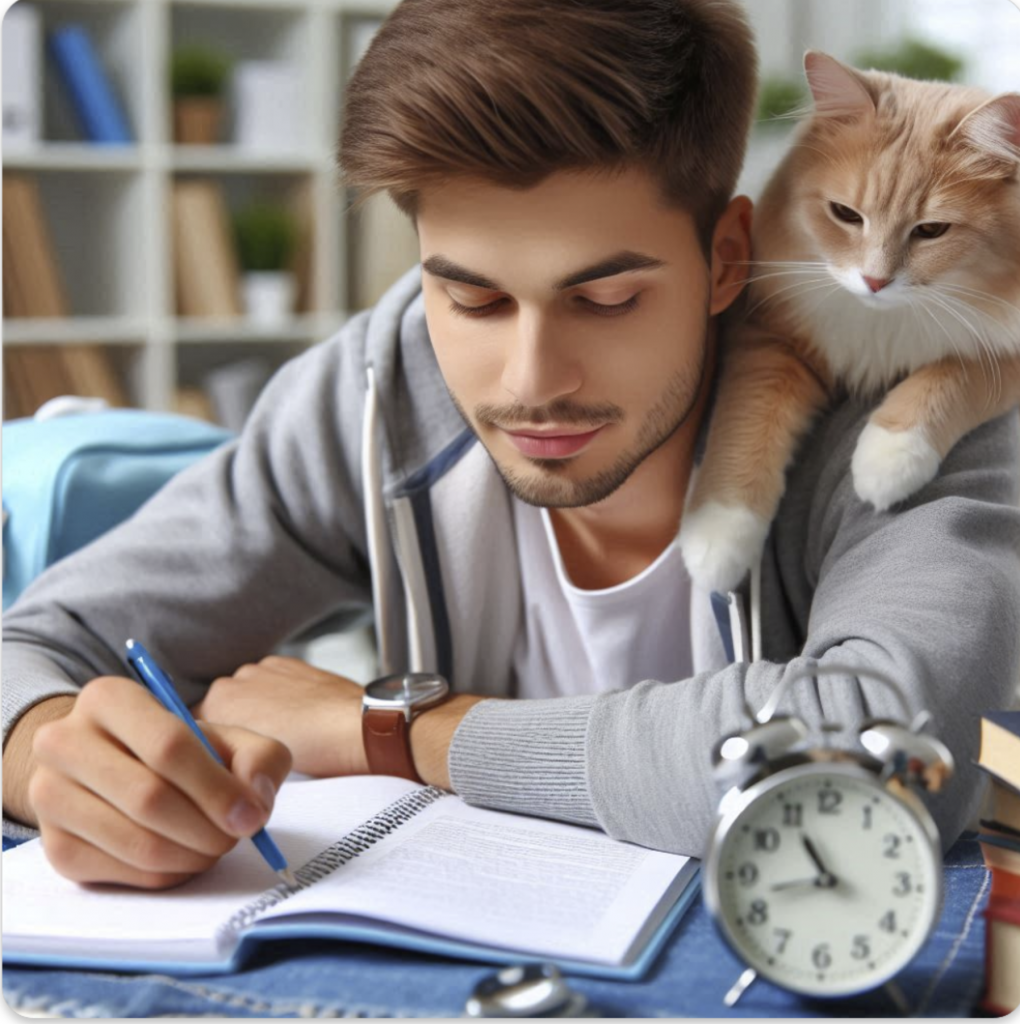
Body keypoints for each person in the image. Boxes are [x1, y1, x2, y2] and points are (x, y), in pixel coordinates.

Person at [3, 0, 1019, 891]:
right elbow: (32, 648)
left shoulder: (919, 404)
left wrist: (400, 732)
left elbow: (883, 754)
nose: (532, 378)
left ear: (725, 259)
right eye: (471, 295)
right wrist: (57, 757)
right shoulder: (380, 383)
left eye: (606, 296)